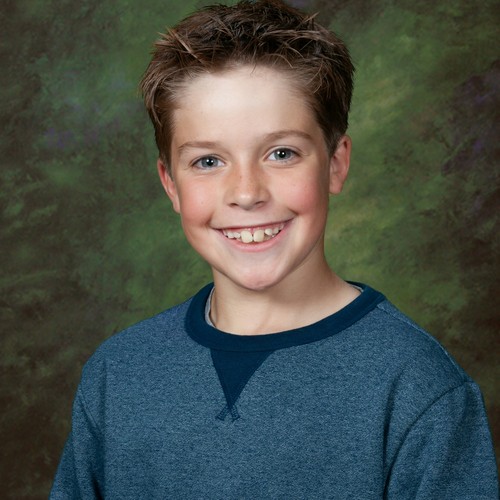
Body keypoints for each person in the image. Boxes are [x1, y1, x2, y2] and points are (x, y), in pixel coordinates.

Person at [50, 0, 498, 498]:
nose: (246, 193)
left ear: (335, 164)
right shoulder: (118, 373)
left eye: (281, 153)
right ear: (170, 184)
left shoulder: (420, 388)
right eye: (207, 161)